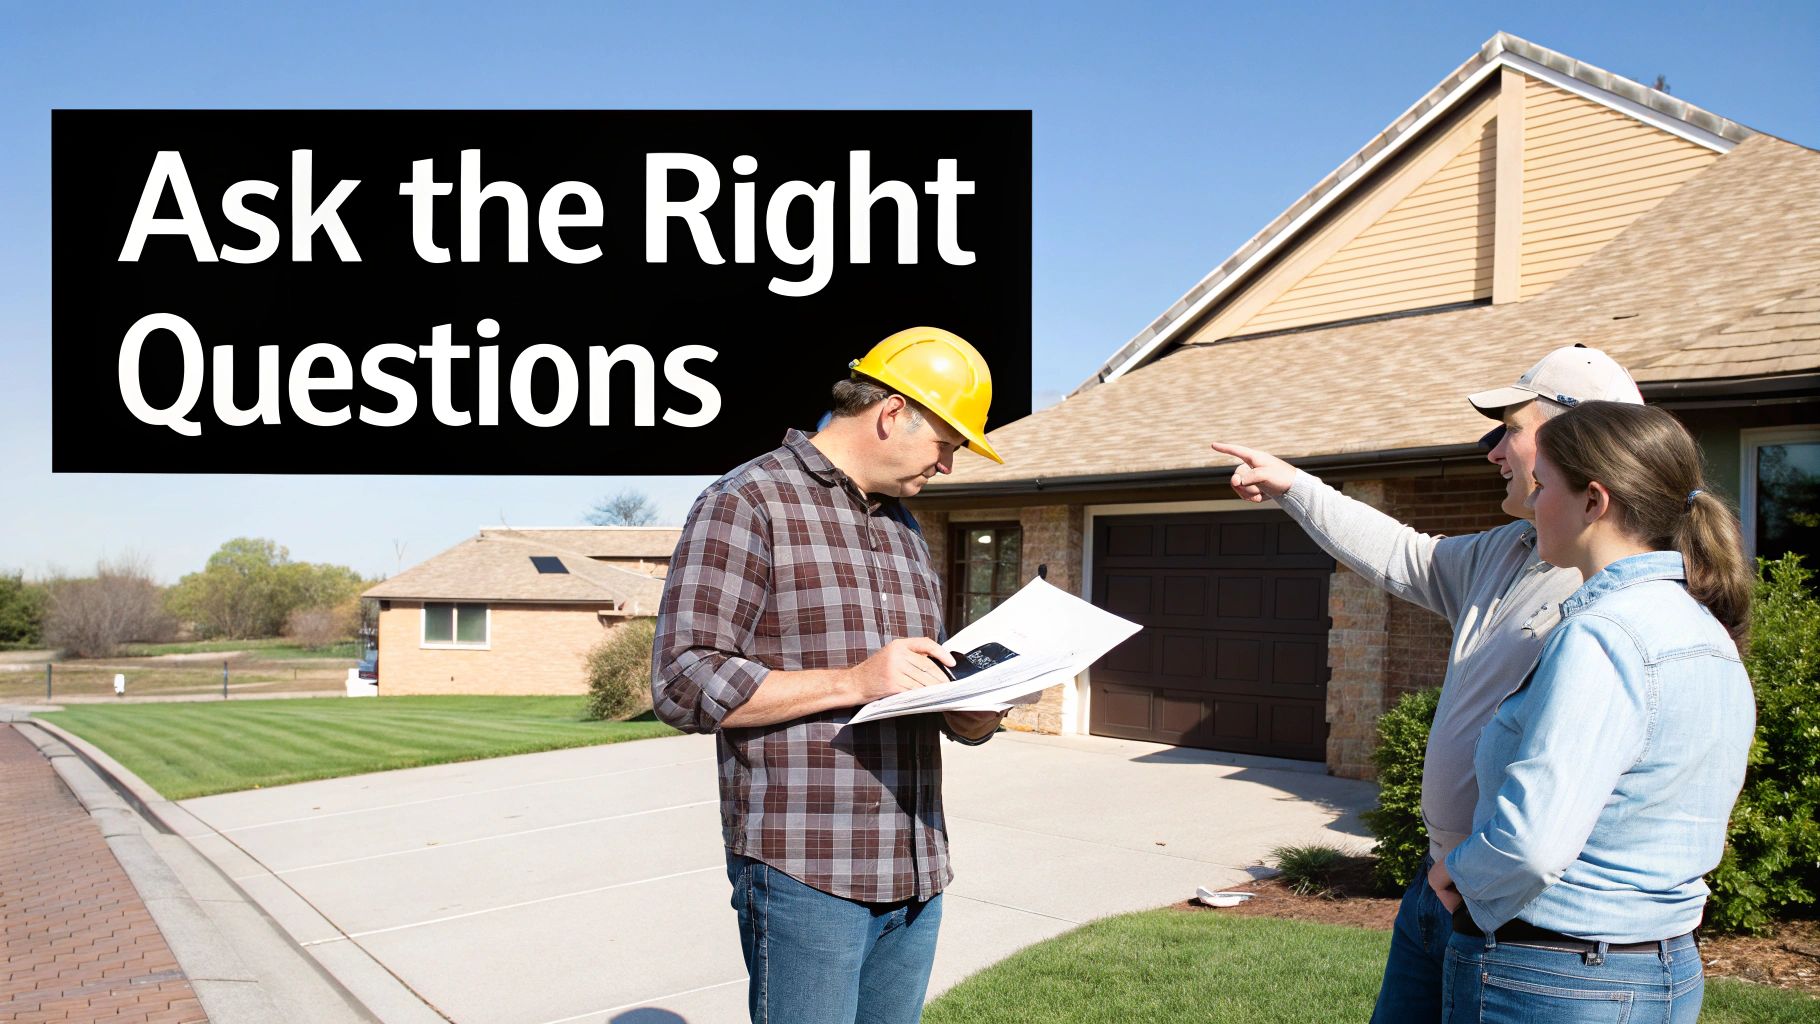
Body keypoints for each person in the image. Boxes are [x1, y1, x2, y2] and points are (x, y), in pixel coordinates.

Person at [1208, 344, 1644, 1022]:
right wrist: (1295, 485)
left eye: (1510, 429)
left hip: (1520, 918)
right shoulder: (1510, 550)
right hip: (1440, 886)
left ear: (1581, 438)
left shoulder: (1618, 590)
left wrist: (1481, 883)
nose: (1494, 450)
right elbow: (1403, 555)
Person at [651, 326, 1009, 1024]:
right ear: (891, 412)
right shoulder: (748, 501)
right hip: (806, 873)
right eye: (948, 444)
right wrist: (856, 681)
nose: (948, 467)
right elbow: (682, 678)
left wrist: (969, 712)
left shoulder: (904, 527)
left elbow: (913, 679)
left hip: (916, 867)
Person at [1428, 401, 1755, 1023]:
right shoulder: (1704, 628)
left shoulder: (1604, 634)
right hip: (1663, 966)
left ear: (1593, 501)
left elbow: (1531, 845)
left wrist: (1460, 872)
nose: (1532, 503)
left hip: (1553, 978)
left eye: (1543, 485)